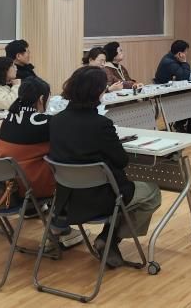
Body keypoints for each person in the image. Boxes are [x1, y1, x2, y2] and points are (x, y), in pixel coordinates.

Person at [49, 67, 161, 267]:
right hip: (100, 199)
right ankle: (109, 239)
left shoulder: (56, 121)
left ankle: (108, 239)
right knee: (151, 192)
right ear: (98, 92)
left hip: (65, 200)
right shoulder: (101, 124)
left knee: (124, 192)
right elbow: (121, 161)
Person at [0, 76, 84, 247]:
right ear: (42, 99)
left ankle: (33, 210)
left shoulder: (8, 119)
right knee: (68, 171)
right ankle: (60, 227)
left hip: (5, 183)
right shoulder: (46, 122)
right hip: (28, 185)